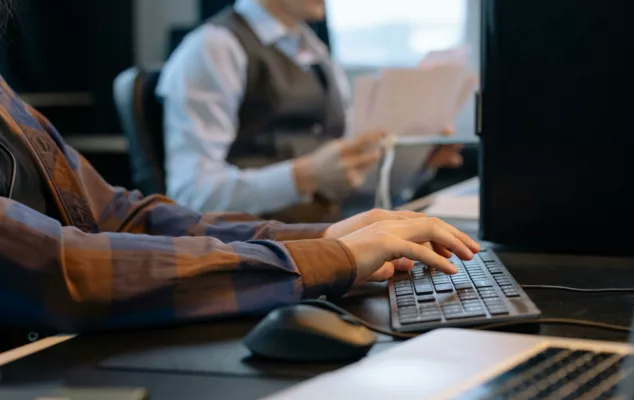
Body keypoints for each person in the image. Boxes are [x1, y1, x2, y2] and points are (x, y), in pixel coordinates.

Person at [0, 68, 479, 348]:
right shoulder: (211, 53)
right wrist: (326, 254)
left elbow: (118, 217)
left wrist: (324, 239)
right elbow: (56, 269)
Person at [157, 0, 463, 219]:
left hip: (331, 237)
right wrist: (304, 176)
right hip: (261, 253)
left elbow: (351, 187)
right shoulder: (213, 48)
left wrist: (417, 165)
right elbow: (191, 193)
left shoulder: (319, 54)